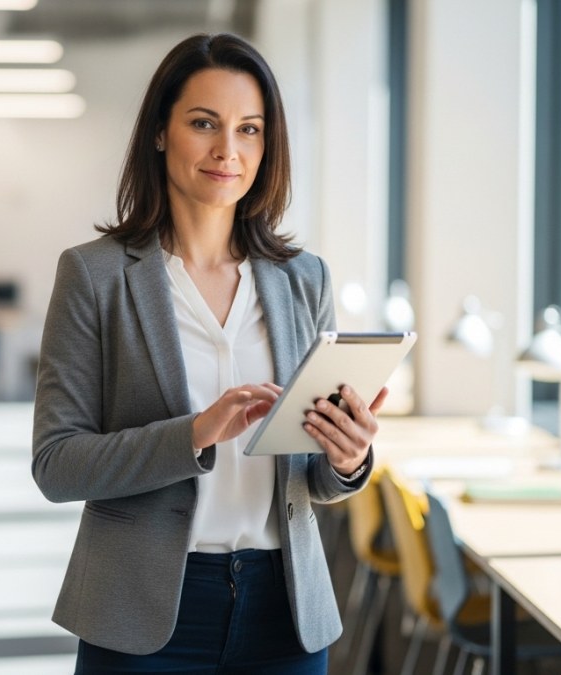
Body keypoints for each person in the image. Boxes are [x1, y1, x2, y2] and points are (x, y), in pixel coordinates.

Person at [31, 32, 388, 674]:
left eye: (250, 129)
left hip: (285, 610)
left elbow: (312, 479)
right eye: (204, 123)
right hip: (141, 615)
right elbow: (57, 465)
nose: (228, 150)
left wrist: (348, 458)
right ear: (161, 132)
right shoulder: (95, 276)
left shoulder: (305, 280)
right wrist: (195, 433)